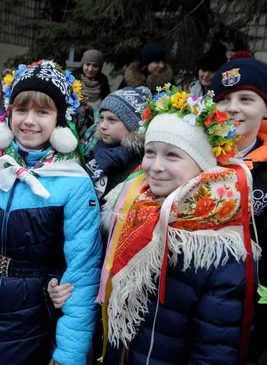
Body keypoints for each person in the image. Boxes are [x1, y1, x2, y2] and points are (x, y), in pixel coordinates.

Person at [0, 61, 102, 365]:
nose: (29, 121)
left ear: (59, 119)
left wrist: (69, 354)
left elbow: (83, 272)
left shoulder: (74, 182)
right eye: (21, 110)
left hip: (33, 318)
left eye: (42, 112)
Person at [96, 86, 258, 364]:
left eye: (172, 155)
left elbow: (216, 348)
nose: (156, 166)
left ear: (203, 165)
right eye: (150, 152)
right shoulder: (131, 209)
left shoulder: (217, 245)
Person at [211, 57, 267, 362]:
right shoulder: (191, 157)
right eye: (223, 99)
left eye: (246, 98)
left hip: (252, 310)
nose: (232, 108)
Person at [85, 87, 148, 204]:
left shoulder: (138, 166)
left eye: (112, 120)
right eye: (102, 118)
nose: (103, 125)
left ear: (132, 125)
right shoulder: (95, 149)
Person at [73, 49, 112, 159]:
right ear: (82, 64)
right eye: (88, 64)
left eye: (95, 66)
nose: (90, 69)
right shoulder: (73, 80)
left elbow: (106, 109)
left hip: (92, 135)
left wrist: (92, 109)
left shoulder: (103, 83)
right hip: (73, 129)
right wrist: (77, 104)